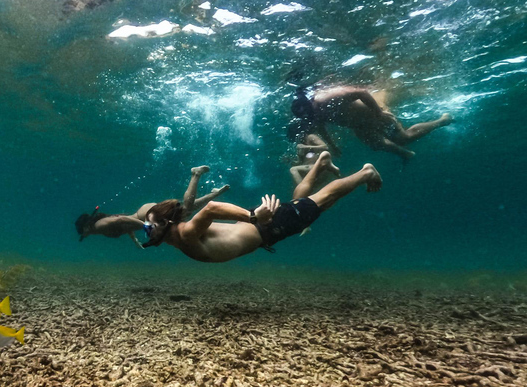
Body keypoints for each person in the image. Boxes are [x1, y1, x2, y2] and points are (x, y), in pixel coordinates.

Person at [142, 152, 381, 262]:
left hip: (267, 226)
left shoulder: (186, 233)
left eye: (149, 226)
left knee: (323, 199)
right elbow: (194, 207)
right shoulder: (178, 233)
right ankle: (321, 162)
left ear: (165, 224)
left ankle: (365, 172)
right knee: (306, 205)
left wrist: (254, 217)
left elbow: (212, 208)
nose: (146, 229)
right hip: (264, 230)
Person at [75, 166, 229, 247]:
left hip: (145, 215)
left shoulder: (98, 227)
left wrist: (146, 226)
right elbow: (124, 225)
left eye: (83, 233)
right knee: (183, 211)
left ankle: (195, 174)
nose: (85, 236)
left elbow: (121, 219)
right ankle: (214, 194)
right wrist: (135, 240)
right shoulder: (99, 227)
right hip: (144, 213)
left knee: (184, 212)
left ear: (85, 228)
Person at [289, 85, 452, 160]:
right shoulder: (312, 114)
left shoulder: (325, 98)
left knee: (403, 138)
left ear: (311, 104)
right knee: (376, 145)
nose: (313, 116)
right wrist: (332, 145)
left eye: (312, 113)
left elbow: (361, 91)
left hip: (373, 114)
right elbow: (321, 127)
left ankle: (443, 120)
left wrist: (379, 112)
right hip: (359, 126)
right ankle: (406, 155)